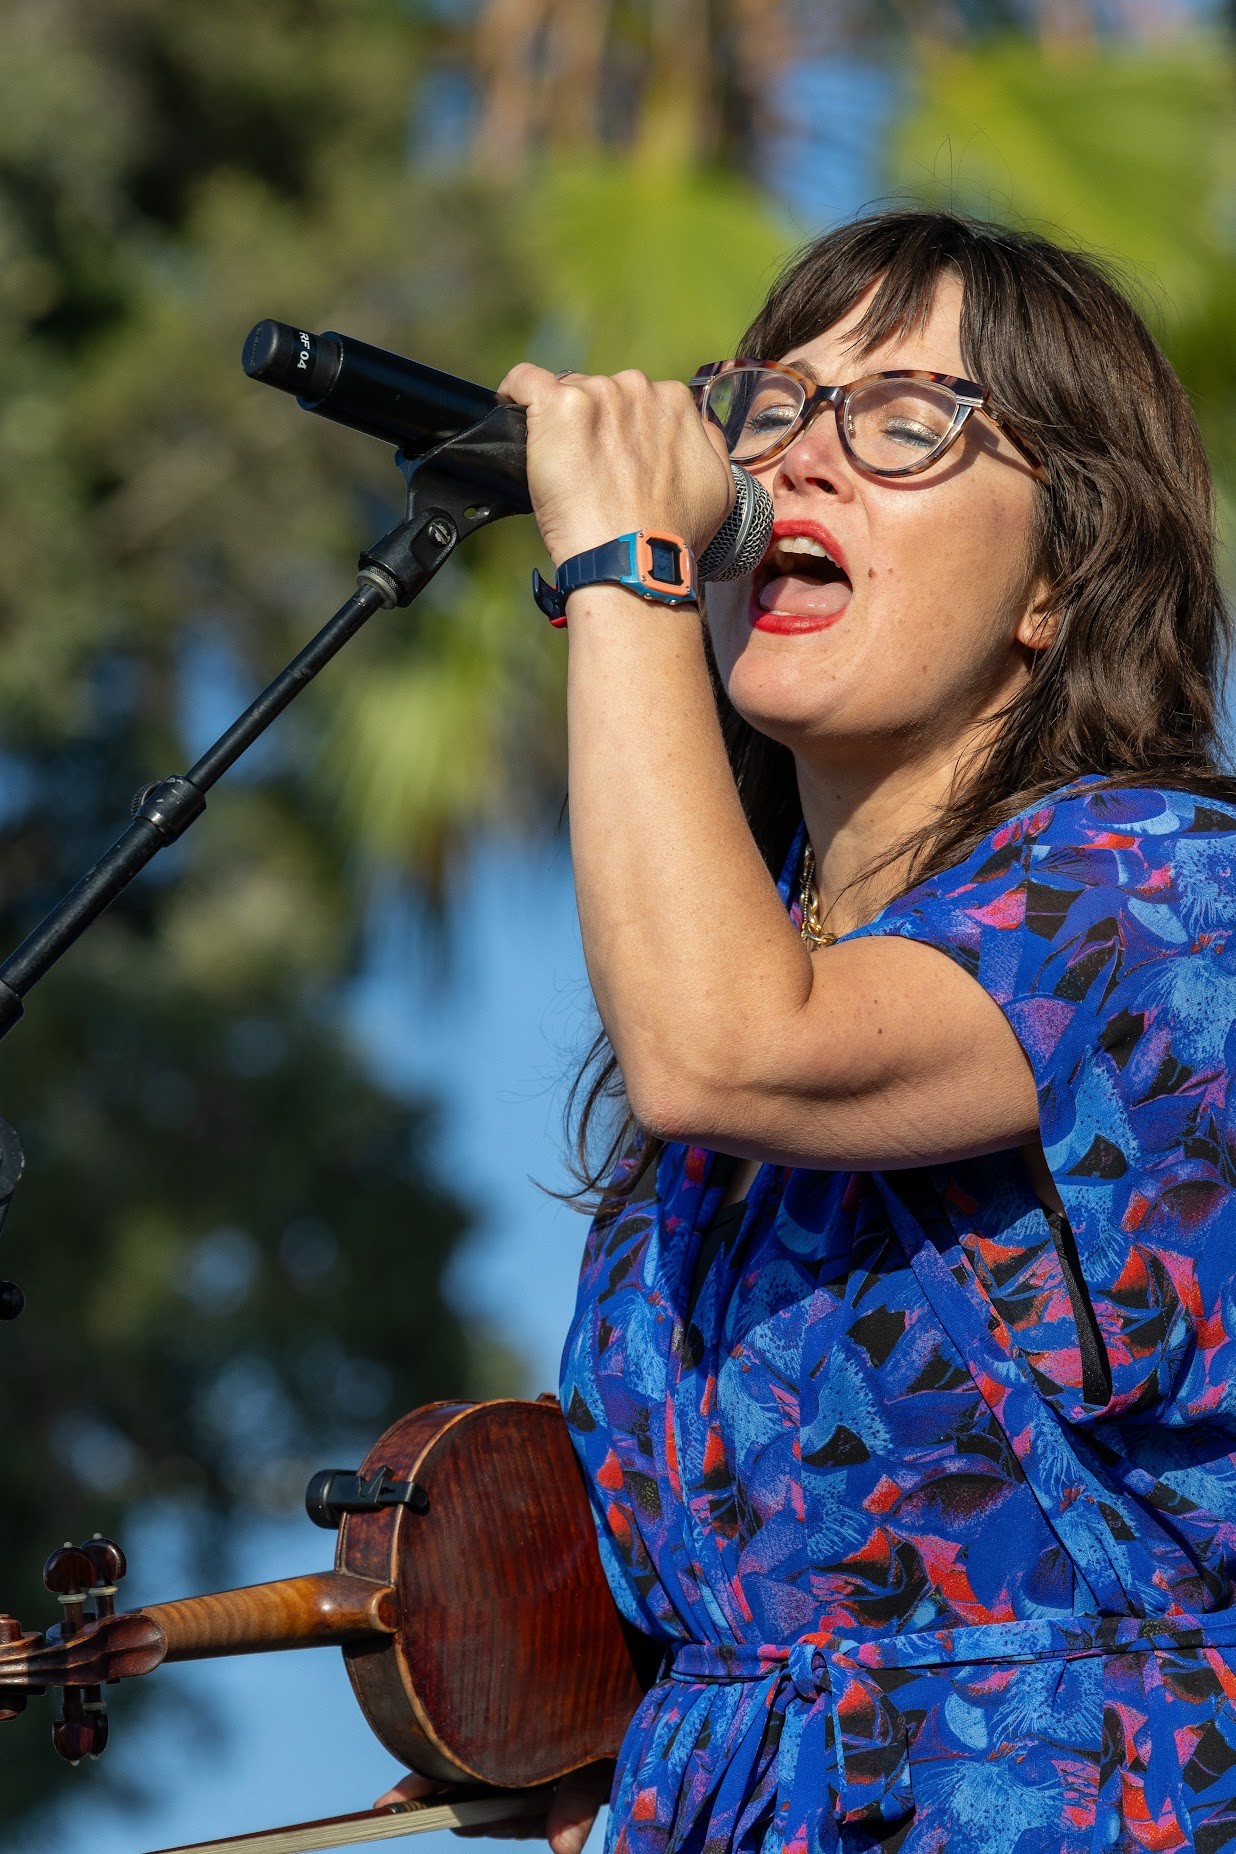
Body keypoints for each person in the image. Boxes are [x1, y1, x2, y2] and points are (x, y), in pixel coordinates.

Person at [387, 209, 1236, 1853]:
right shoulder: (739, 985)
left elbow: (727, 1045)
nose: (797, 466)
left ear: (1060, 577)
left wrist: (617, 564)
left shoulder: (1164, 893)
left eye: (909, 422)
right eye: (767, 411)